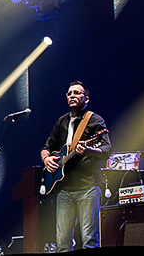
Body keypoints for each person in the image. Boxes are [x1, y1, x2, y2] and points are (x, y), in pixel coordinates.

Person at [40, 81, 111, 252]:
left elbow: (107, 149)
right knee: (62, 243)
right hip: (64, 189)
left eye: (77, 93)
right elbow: (46, 147)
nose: (72, 95)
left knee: (89, 241)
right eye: (70, 93)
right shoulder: (61, 122)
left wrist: (89, 150)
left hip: (88, 186)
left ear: (86, 99)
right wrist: (46, 159)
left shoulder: (94, 120)